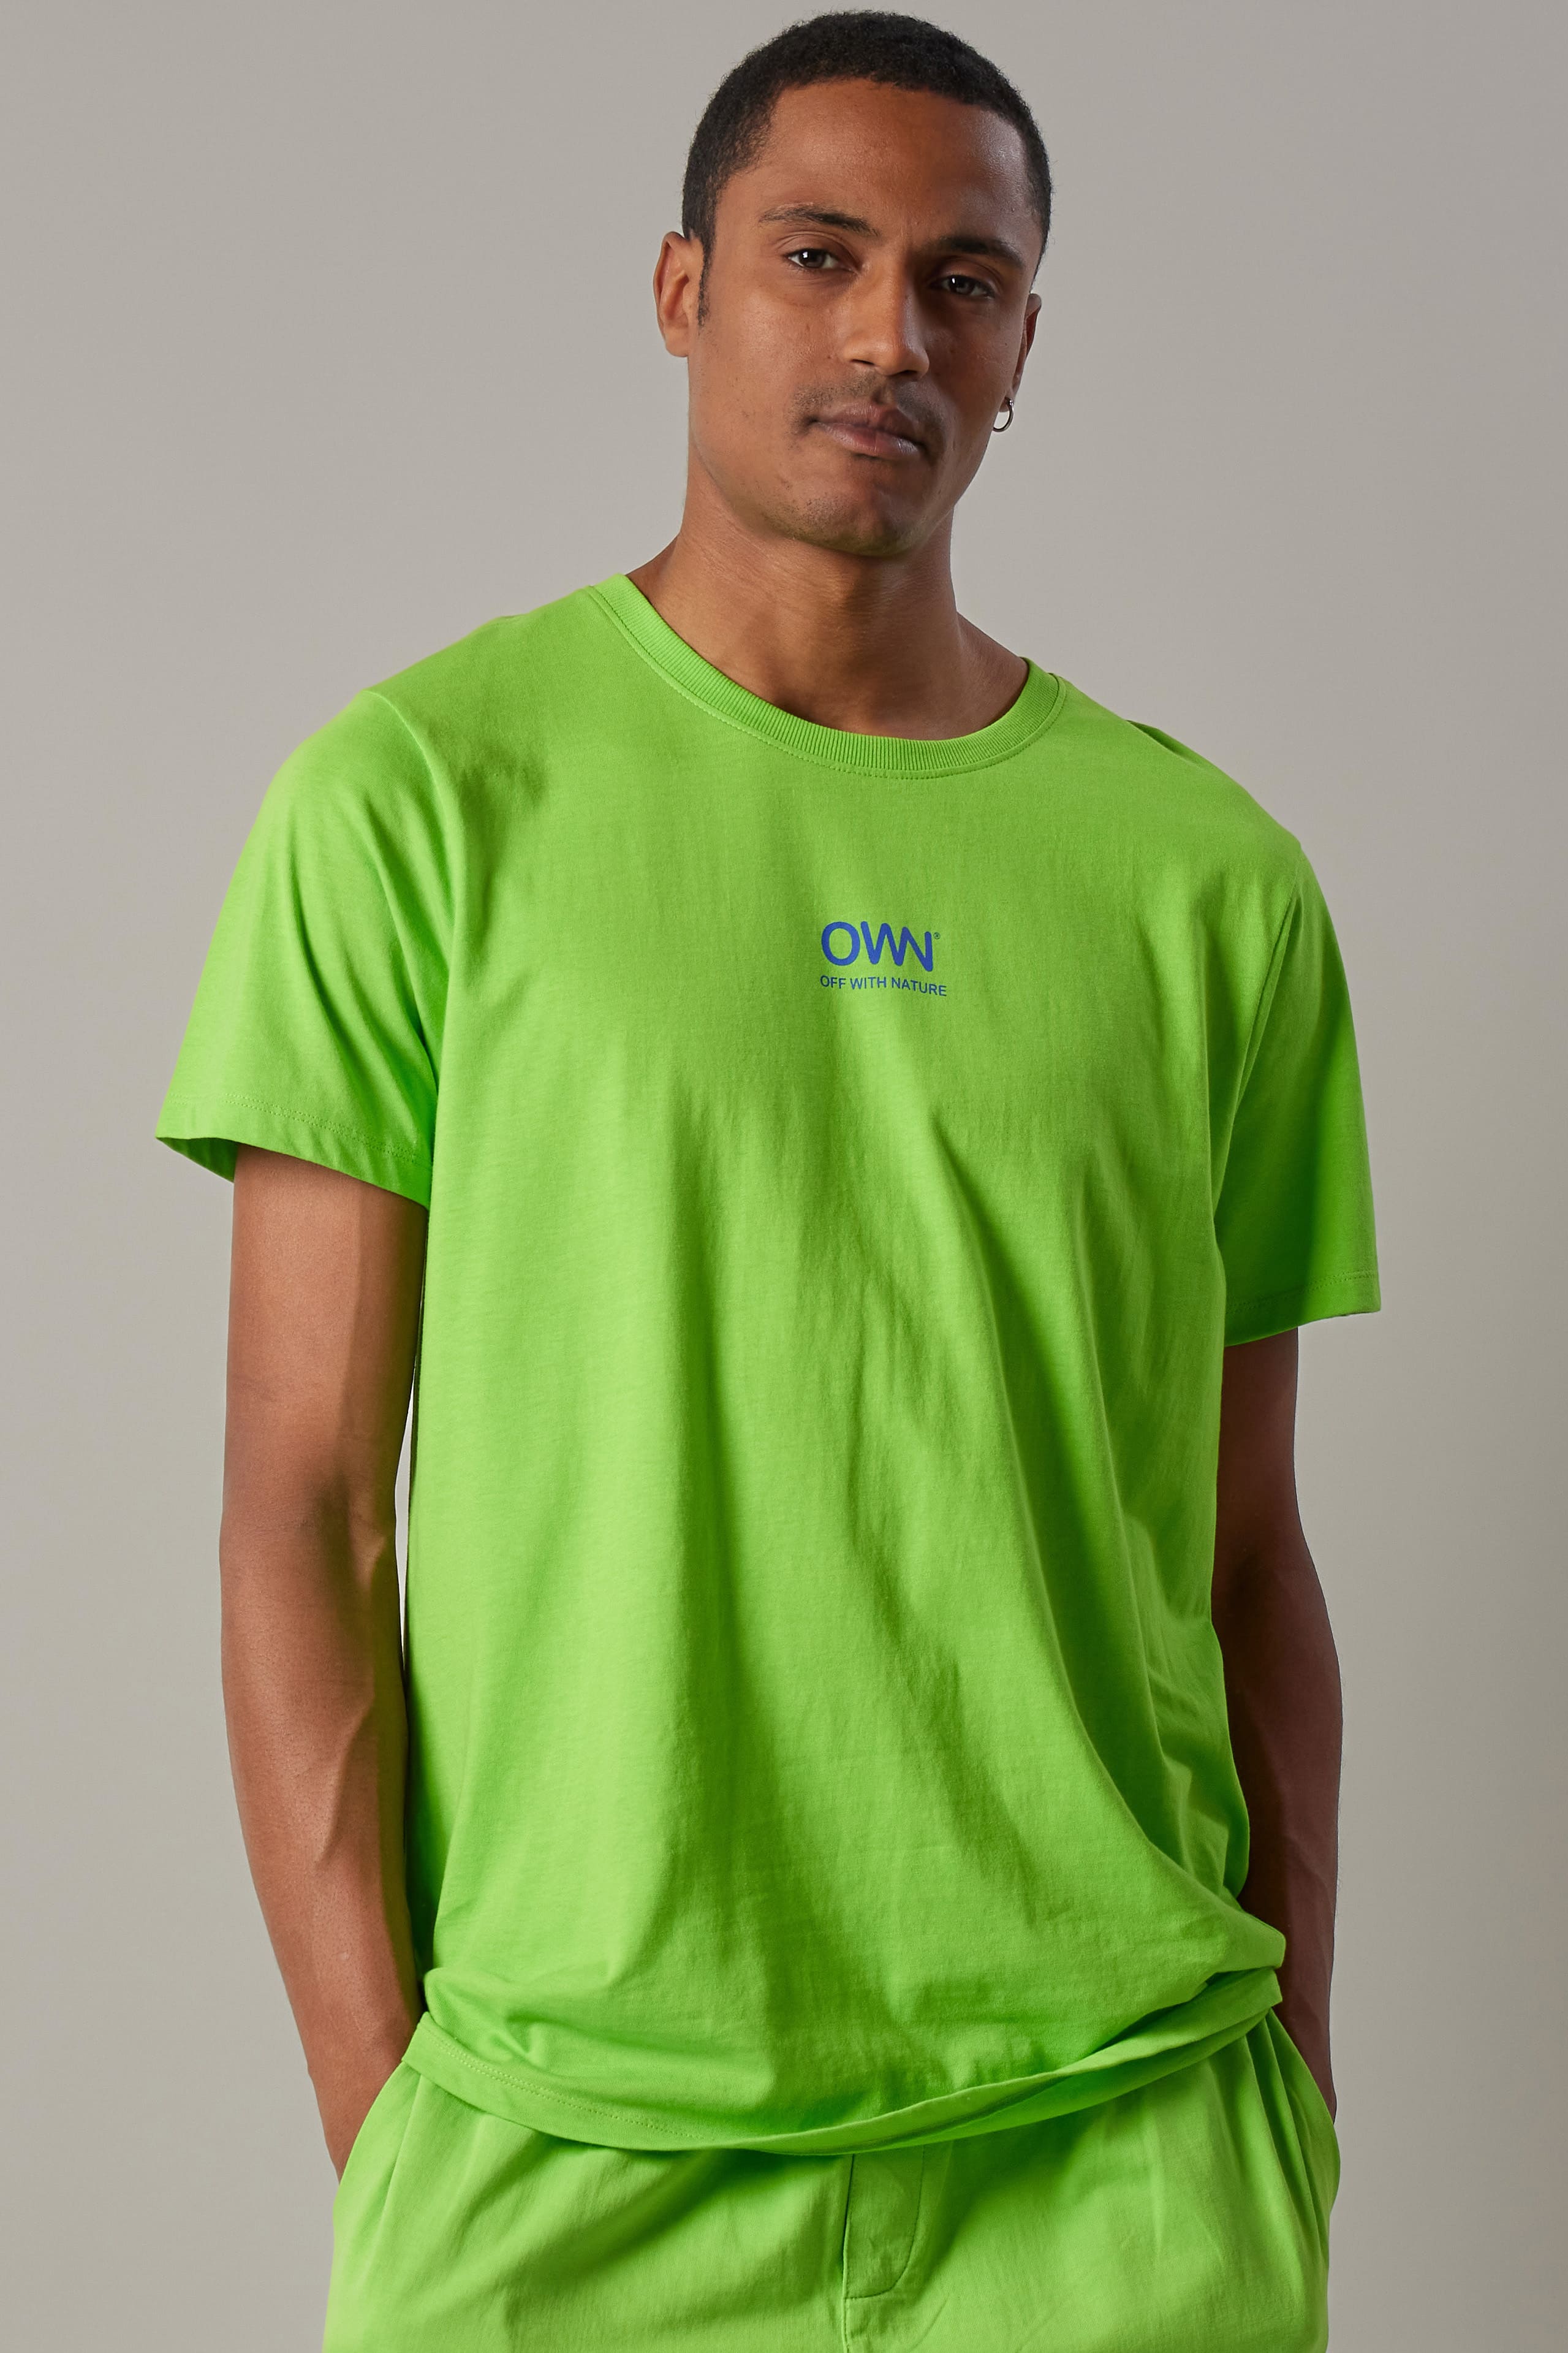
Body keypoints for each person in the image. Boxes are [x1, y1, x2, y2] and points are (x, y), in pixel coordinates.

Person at [157, 13, 1381, 2349]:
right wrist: (387, 2113)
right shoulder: (416, 802)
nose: (890, 333)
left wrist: (1294, 2080)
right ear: (682, 289)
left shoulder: (1208, 882)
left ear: (1023, 346)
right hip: (565, 2162)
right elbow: (302, 1510)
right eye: (819, 254)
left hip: (1125, 2152)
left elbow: (1244, 1549)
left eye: (963, 281)